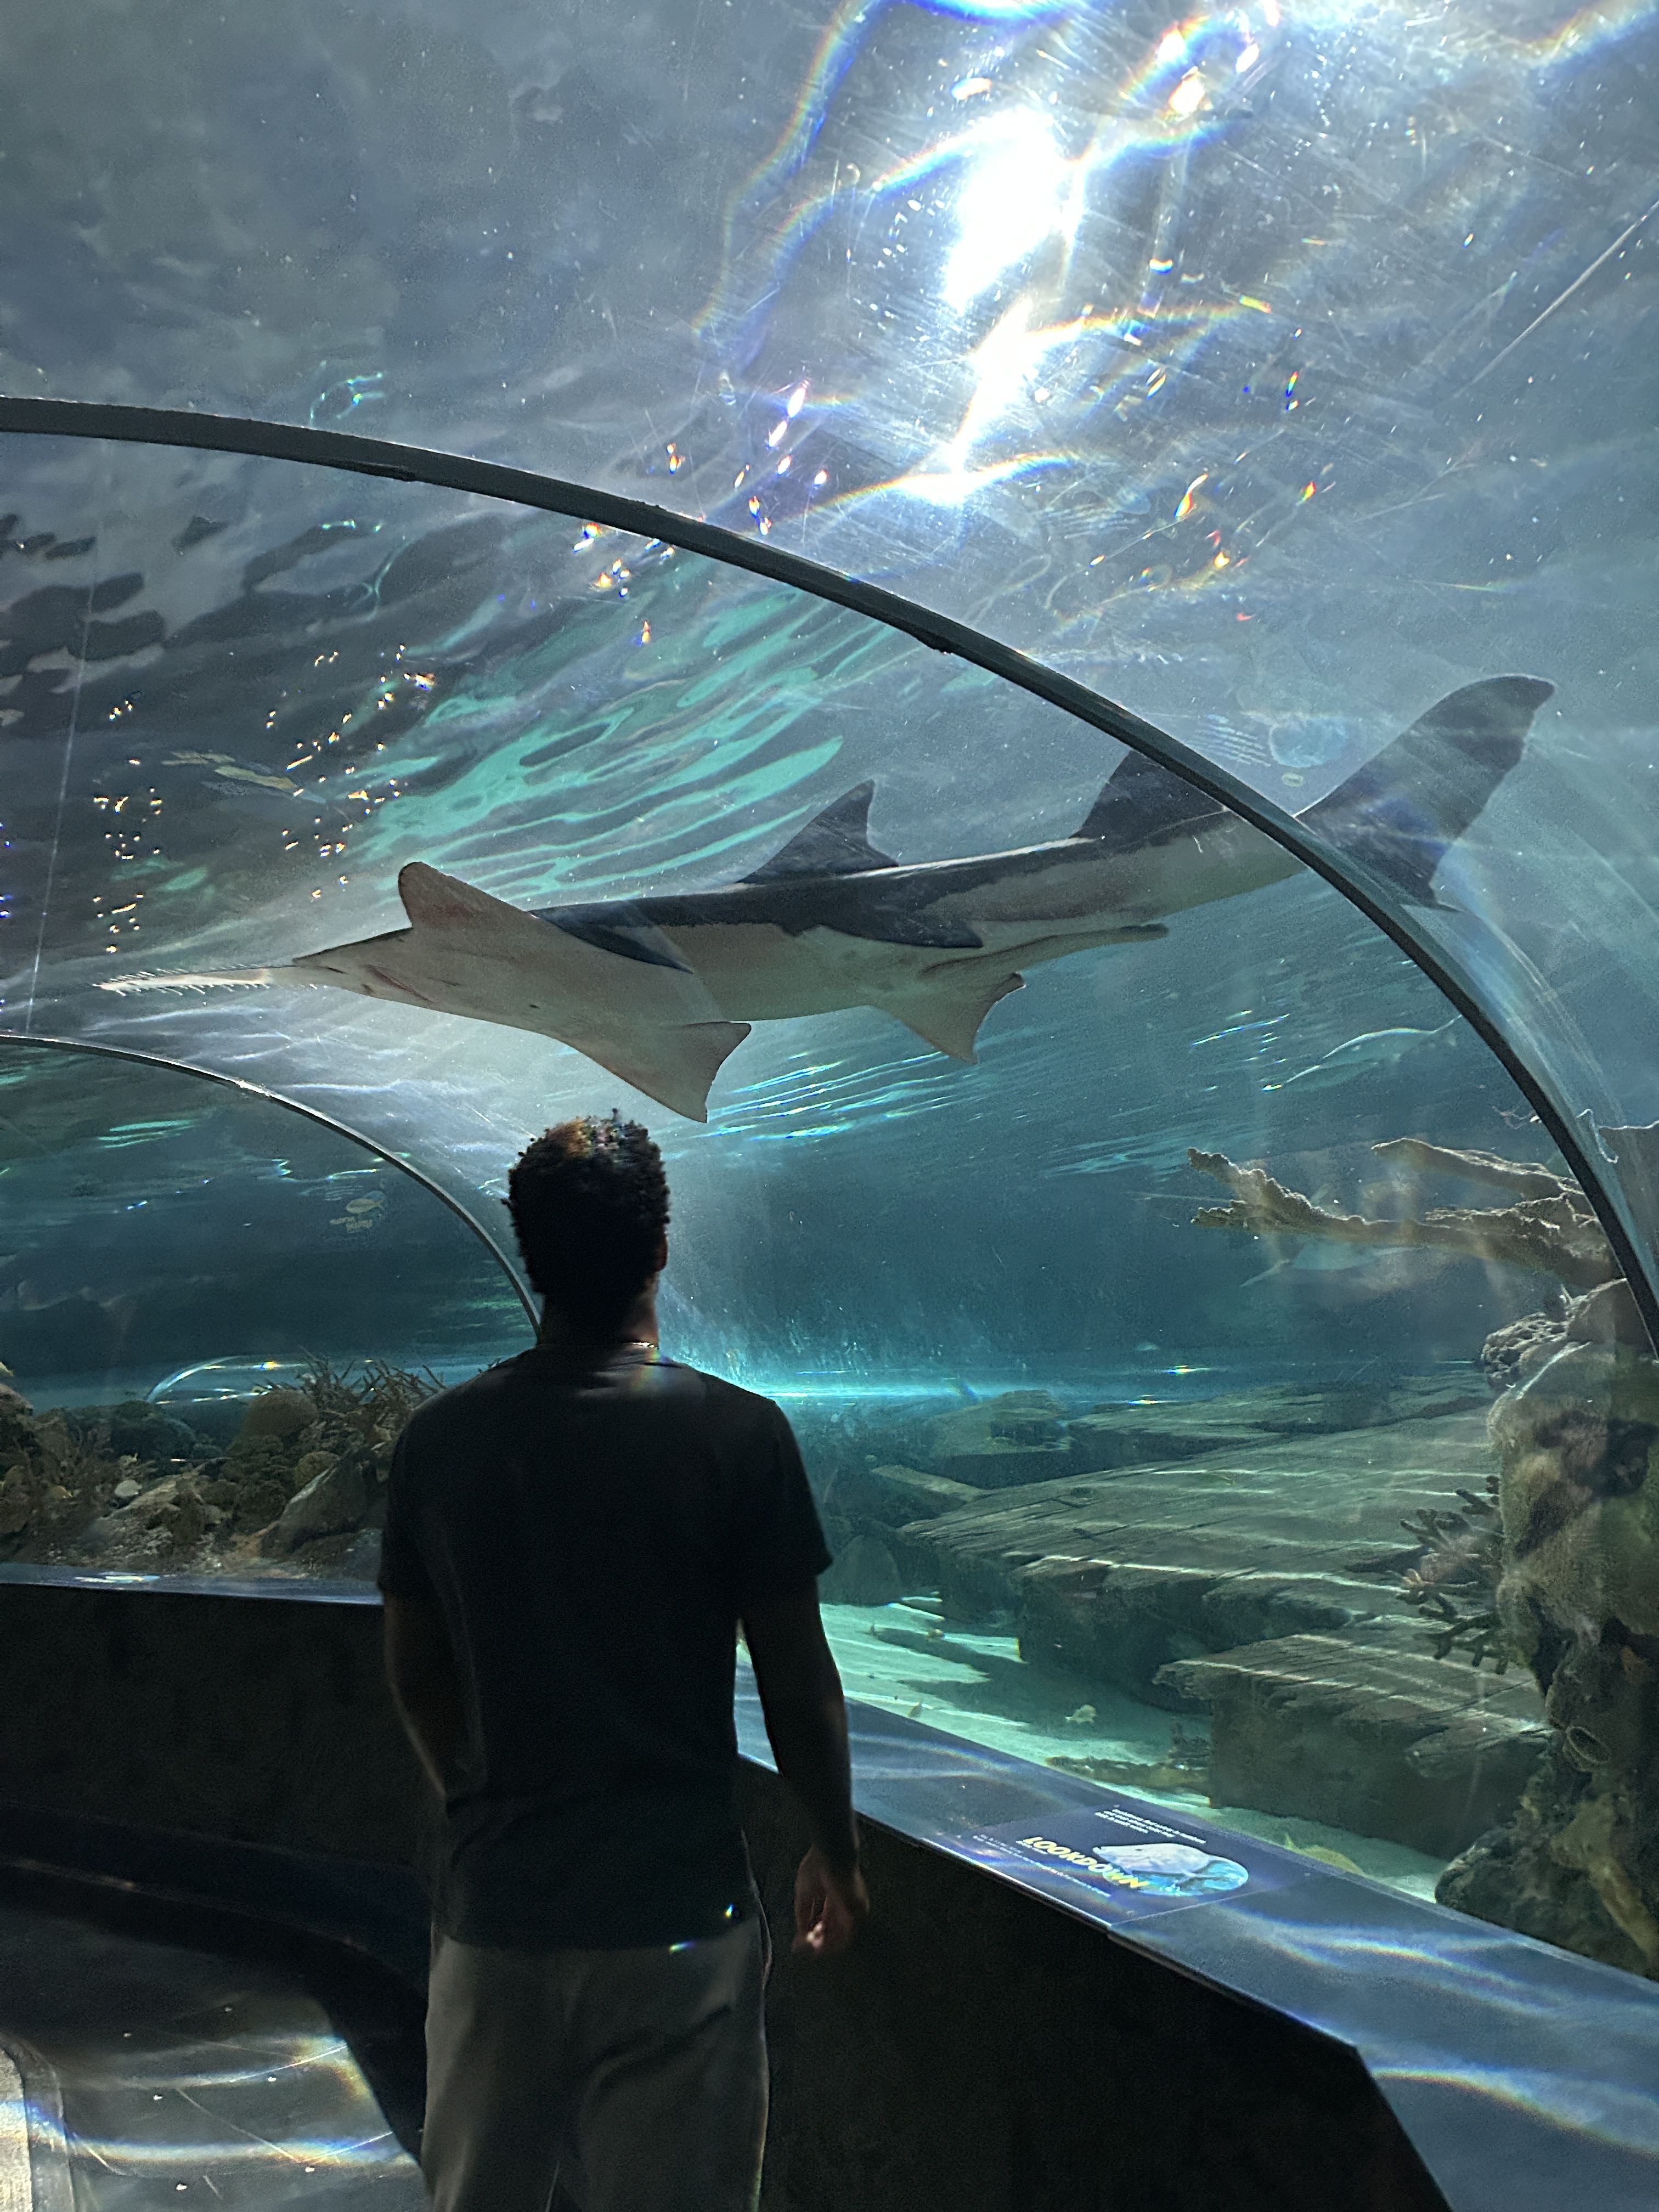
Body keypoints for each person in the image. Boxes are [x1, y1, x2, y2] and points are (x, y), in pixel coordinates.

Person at [379, 1111, 868, 2212]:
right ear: (660, 1248)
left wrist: (478, 1798)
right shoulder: (740, 1435)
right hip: (678, 1918)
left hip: (496, 1915)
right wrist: (834, 1850)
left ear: (530, 1258)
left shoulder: (440, 1441)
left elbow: (415, 1666)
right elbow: (798, 1685)